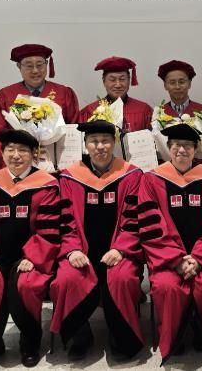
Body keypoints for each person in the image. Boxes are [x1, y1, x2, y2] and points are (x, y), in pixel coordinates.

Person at [0, 129, 61, 369]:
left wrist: (33, 257)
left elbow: (49, 229)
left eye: (23, 150)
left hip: (30, 258)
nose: (16, 155)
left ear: (33, 154)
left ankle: (30, 342)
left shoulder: (47, 185)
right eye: (11, 150)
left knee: (27, 284)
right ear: (2, 153)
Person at [49, 120, 145, 361]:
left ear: (114, 143)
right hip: (81, 250)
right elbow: (64, 221)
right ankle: (80, 336)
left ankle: (121, 337)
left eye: (105, 141)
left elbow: (135, 219)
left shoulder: (132, 175)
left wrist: (121, 249)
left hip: (119, 250)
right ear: (86, 144)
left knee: (122, 278)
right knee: (66, 279)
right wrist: (72, 250)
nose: (99, 146)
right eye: (93, 141)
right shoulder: (70, 177)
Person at [137, 123, 202, 363]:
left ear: (195, 150)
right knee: (167, 287)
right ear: (168, 148)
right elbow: (151, 226)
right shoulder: (151, 180)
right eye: (177, 145)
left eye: (188, 145)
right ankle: (174, 337)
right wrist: (176, 260)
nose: (182, 150)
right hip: (168, 260)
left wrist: (199, 259)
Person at [0, 43, 80, 170]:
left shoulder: (64, 94)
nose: (35, 70)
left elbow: (73, 130)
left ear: (47, 64)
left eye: (40, 65)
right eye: (29, 66)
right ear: (19, 66)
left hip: (54, 165)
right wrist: (17, 155)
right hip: (18, 167)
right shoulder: (4, 96)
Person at [79, 56, 153, 132]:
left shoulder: (144, 110)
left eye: (122, 79)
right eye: (112, 80)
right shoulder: (89, 111)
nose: (118, 85)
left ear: (129, 80)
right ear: (104, 81)